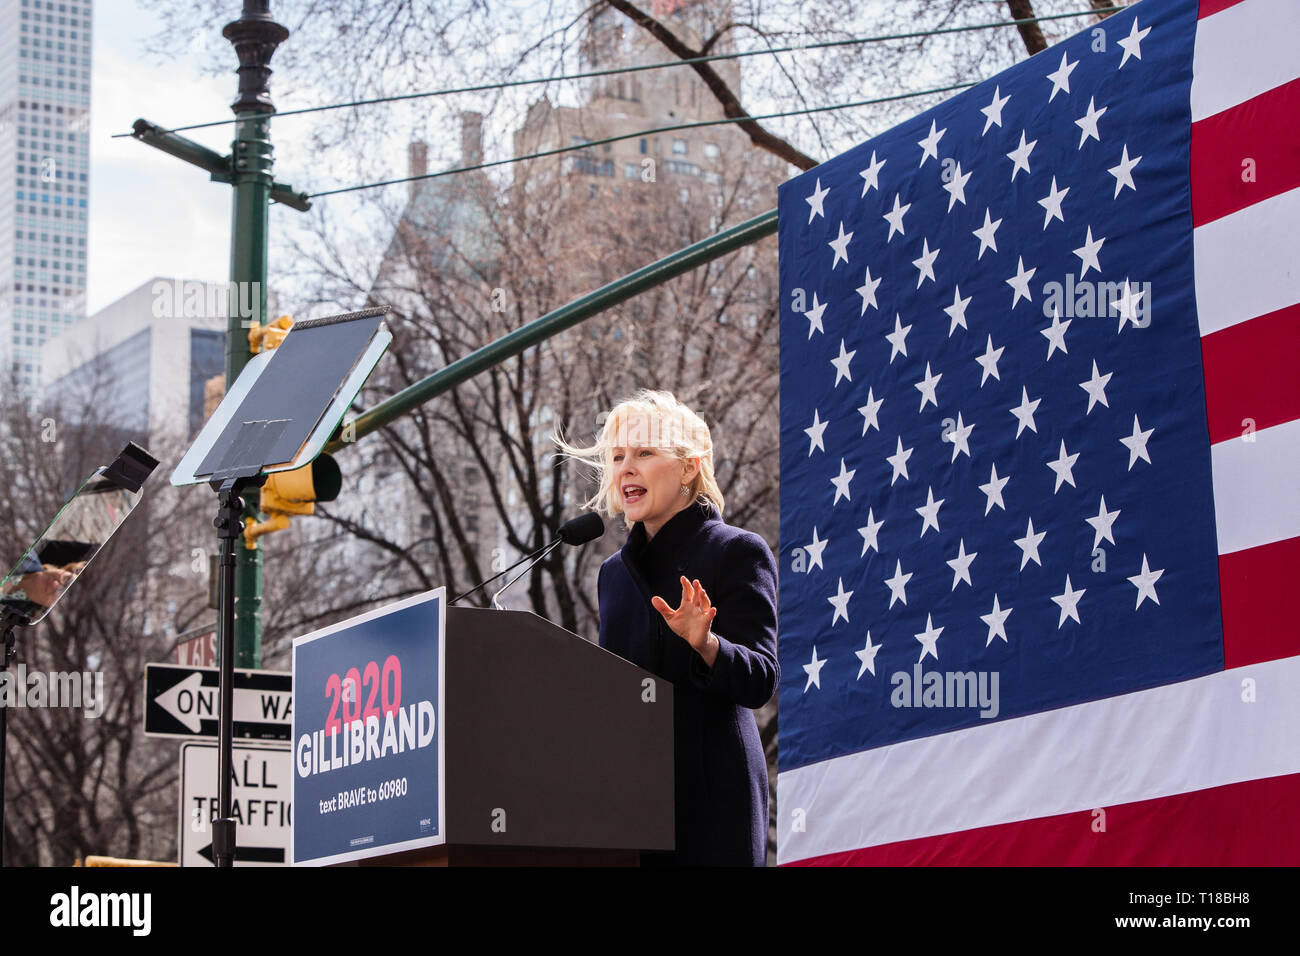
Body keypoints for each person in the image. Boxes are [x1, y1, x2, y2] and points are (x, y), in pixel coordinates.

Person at [554, 389, 779, 866]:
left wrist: (707, 644)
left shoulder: (737, 551)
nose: (625, 469)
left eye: (644, 453)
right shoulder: (613, 574)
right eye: (617, 457)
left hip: (713, 794)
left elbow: (761, 679)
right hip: (635, 800)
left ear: (688, 468)